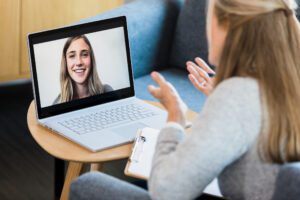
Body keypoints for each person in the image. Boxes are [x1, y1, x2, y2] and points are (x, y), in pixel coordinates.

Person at [70, 0, 300, 199]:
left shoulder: (237, 96)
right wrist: (220, 99)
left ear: (227, 25)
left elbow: (167, 192)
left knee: (87, 186)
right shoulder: (286, 78)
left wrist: (175, 118)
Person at [53, 35, 113, 104]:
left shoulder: (107, 91)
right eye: (72, 56)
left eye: (84, 54)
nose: (79, 62)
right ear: (65, 62)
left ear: (91, 59)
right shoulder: (57, 103)